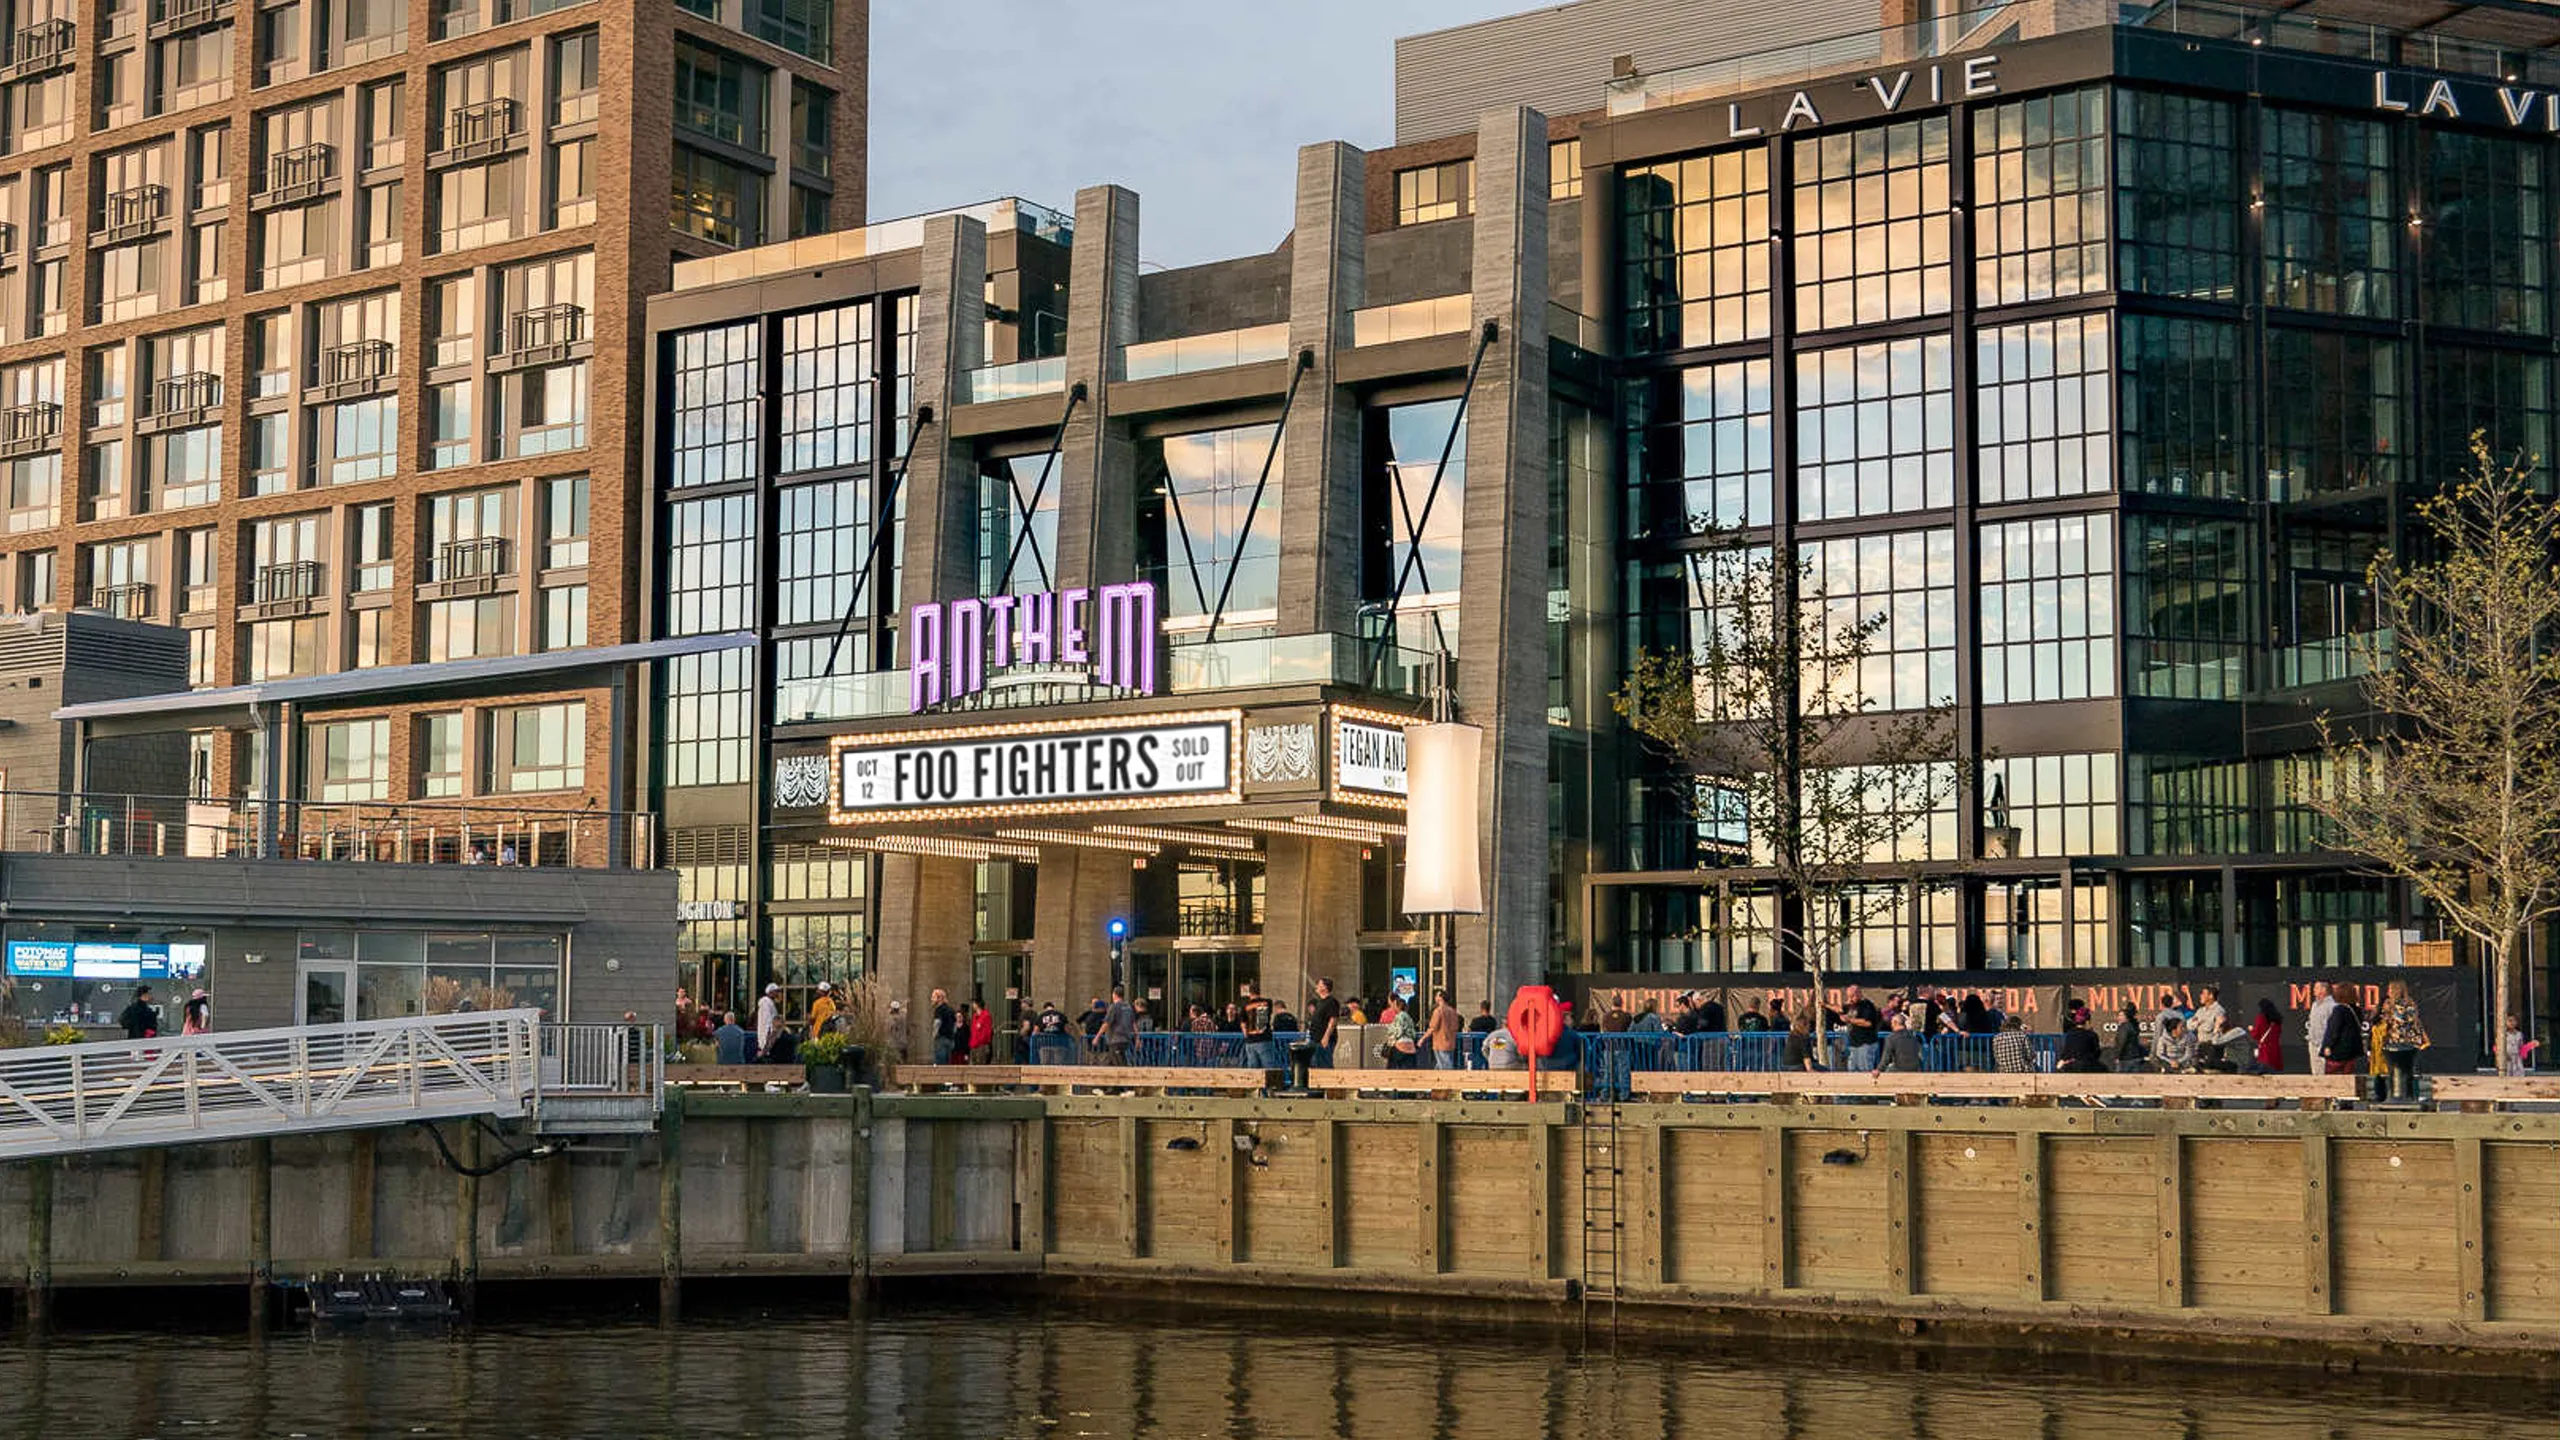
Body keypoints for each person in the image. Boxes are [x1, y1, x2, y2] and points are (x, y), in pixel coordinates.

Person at [2376, 980, 2429, 1101]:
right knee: (2406, 1071)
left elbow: (2399, 1021)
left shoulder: (2399, 1005)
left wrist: (2388, 1014)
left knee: (2398, 1071)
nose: (2388, 992)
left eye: (2390, 989)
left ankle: (2398, 1096)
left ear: (2395, 990)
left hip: (2398, 1043)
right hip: (2406, 1043)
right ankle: (2408, 1096)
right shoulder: (2409, 1003)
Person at [2188, 986, 2239, 1072]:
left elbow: (2212, 1028)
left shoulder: (2219, 1011)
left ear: (2211, 996)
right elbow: (2189, 1025)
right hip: (2200, 1045)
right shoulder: (2201, 1011)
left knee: (2209, 1069)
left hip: (2212, 1047)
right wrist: (2199, 1022)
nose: (2200, 996)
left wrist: (2200, 1022)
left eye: (2203, 993)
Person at [2318, 990, 2366, 1076]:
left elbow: (2334, 1029)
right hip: (2352, 1052)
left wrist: (2328, 1045)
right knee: (2348, 1077)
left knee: (2332, 1080)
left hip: (2338, 1052)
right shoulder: (2356, 1010)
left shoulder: (2339, 1010)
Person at [1840, 986, 1883, 1072]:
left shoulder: (1867, 1005)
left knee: (1865, 1071)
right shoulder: (1850, 1006)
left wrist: (1850, 1020)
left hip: (1865, 1044)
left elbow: (1868, 1023)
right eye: (1848, 996)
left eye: (1852, 996)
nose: (1850, 999)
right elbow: (1839, 1010)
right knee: (1852, 1071)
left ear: (1859, 994)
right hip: (1853, 1044)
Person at [1305, 978, 1342, 1068]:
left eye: (1319, 984)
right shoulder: (1319, 1002)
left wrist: (1326, 1037)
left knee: (1324, 1063)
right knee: (1314, 1063)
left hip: (1324, 1039)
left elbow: (1333, 1020)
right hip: (1315, 1038)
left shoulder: (1331, 1002)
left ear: (1325, 987)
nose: (1316, 986)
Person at [2304, 981, 2340, 1075]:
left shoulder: (2332, 1006)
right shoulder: (2314, 1005)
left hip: (2325, 1044)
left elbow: (2335, 1027)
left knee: (2327, 1071)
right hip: (2313, 1043)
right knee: (2315, 1072)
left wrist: (2329, 1044)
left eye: (2316, 988)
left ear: (2323, 990)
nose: (2313, 990)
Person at [1240, 981, 1277, 1070]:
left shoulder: (1245, 1006)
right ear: (1259, 991)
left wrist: (1247, 1036)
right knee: (1268, 1067)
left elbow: (1243, 1025)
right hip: (1264, 1038)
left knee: (1253, 1069)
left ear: (1249, 992)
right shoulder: (1267, 1002)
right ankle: (1271, 1084)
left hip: (1251, 1041)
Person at [1096, 986, 1137, 1065]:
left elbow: (1106, 1023)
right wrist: (1137, 1037)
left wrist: (1097, 1037)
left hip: (1115, 1039)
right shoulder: (1128, 1007)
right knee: (1111, 1061)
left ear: (1114, 995)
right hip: (1126, 1038)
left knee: (1119, 1062)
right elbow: (1133, 1023)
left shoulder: (1114, 1007)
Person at [1426, 989, 1462, 1070]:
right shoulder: (1453, 1011)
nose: (1435, 997)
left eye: (1436, 995)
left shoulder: (1438, 1011)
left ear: (1440, 998)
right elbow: (1455, 1027)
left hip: (1439, 1043)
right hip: (1450, 1042)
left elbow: (1432, 1027)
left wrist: (1422, 1039)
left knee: (1445, 1066)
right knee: (1442, 1064)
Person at [1381, 998, 1420, 1069]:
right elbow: (1413, 1034)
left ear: (1397, 1006)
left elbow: (1398, 1031)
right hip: (1410, 1047)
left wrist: (1391, 1041)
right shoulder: (1409, 1017)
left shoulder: (1399, 1017)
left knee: (1392, 1067)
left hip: (1400, 1046)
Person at [2109, 1004, 2147, 1073]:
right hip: (2135, 1058)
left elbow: (2122, 1042)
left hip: (2125, 1059)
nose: (2119, 1018)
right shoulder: (2133, 1025)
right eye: (2118, 1015)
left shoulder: (2125, 1027)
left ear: (2126, 1016)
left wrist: (2117, 1056)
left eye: (2121, 1015)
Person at [2250, 998, 2284, 1074]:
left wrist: (2251, 1029)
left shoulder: (2261, 1018)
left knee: (2263, 1071)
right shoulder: (2277, 1020)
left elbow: (2256, 1035)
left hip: (2265, 1050)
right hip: (2275, 1050)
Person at [753, 984, 784, 1061]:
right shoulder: (766, 1003)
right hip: (768, 1037)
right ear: (770, 992)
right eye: (776, 992)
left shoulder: (770, 1003)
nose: (778, 994)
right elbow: (767, 1022)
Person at [930, 988, 959, 1065]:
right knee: (947, 1062)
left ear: (939, 998)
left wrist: (934, 1035)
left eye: (933, 997)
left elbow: (937, 1023)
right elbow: (955, 1024)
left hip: (941, 1038)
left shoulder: (939, 1009)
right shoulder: (951, 1009)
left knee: (940, 1063)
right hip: (950, 1039)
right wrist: (953, 1034)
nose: (931, 999)